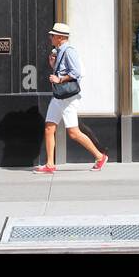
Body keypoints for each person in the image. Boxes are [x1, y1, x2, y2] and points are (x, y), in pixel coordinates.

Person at [34, 23, 108, 173]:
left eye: (53, 36)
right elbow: (64, 71)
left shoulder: (69, 51)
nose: (50, 38)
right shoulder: (59, 51)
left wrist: (59, 80)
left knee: (73, 133)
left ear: (60, 37)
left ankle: (100, 157)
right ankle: (49, 165)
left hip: (68, 98)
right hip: (58, 97)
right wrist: (54, 65)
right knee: (49, 128)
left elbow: (76, 72)